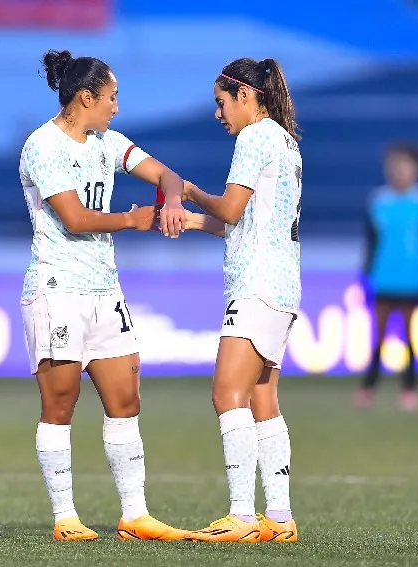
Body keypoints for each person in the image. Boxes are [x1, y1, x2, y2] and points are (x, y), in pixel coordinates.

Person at [19, 49, 187, 542]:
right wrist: (133, 220)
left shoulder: (108, 143)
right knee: (60, 404)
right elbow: (74, 219)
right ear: (85, 97)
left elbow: (165, 174)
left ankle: (134, 515)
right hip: (57, 291)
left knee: (126, 400)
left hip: (104, 290)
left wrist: (171, 199)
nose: (116, 107)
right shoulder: (43, 146)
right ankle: (65, 518)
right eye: (111, 98)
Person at [177, 57, 302, 543]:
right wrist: (192, 221)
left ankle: (242, 517)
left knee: (226, 394)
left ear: (246, 96)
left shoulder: (254, 138)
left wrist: (188, 192)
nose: (218, 114)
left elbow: (230, 208)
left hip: (256, 284)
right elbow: (247, 223)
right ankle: (280, 517)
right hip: (283, 285)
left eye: (221, 102)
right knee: (262, 398)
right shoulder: (286, 142)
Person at [356, 142, 418, 412]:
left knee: (408, 337)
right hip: (383, 278)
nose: (399, 170)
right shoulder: (377, 201)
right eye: (394, 165)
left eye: (405, 165)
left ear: (417, 170)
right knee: (378, 337)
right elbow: (370, 244)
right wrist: (366, 276)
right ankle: (368, 388)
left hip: (412, 279)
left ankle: (409, 389)